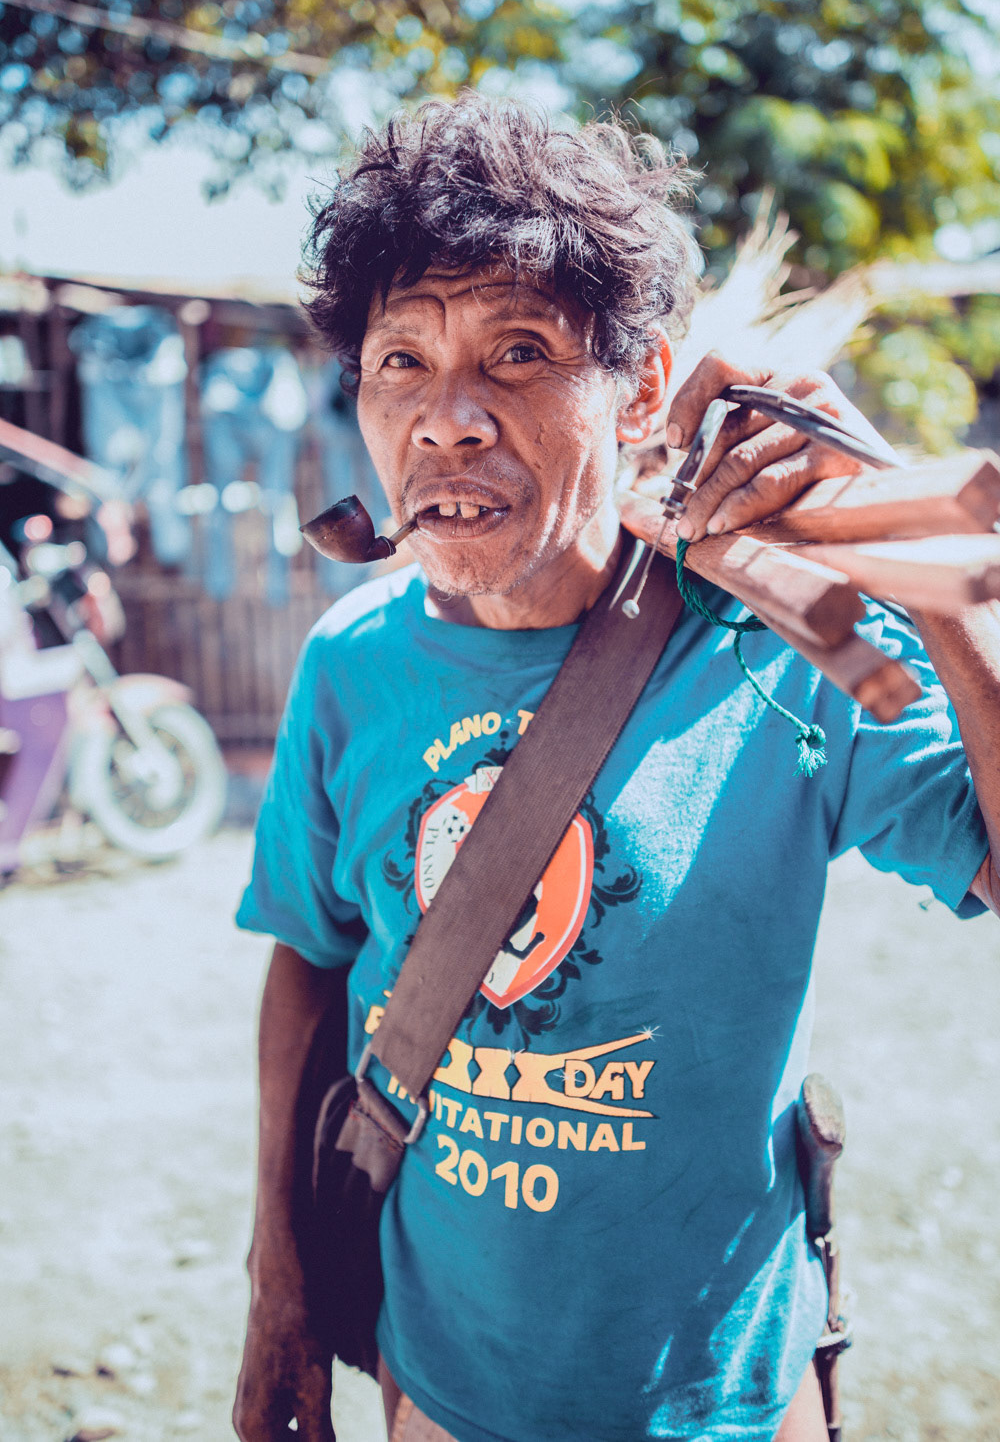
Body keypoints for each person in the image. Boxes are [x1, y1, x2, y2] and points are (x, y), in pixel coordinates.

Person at [232, 95, 999, 1442]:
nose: (448, 419)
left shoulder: (787, 645)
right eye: (401, 359)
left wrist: (937, 584)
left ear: (640, 390)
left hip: (725, 1402)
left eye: (519, 351)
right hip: (441, 1386)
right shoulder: (352, 666)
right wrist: (279, 1293)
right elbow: (310, 958)